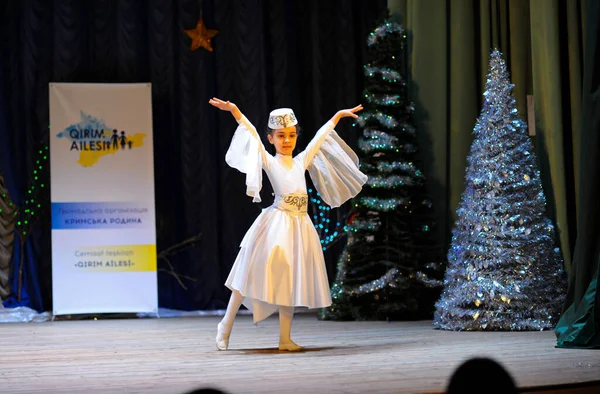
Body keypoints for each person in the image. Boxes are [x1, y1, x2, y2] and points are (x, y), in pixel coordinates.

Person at [209, 97, 367, 351]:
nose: (287, 140)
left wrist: (337, 116)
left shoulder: (301, 160)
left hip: (300, 226)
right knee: (247, 272)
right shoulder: (269, 161)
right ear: (270, 139)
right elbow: (250, 131)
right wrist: (236, 111)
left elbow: (318, 138)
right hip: (276, 223)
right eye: (280, 136)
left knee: (290, 279)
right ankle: (225, 325)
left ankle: (285, 338)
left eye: (291, 135)